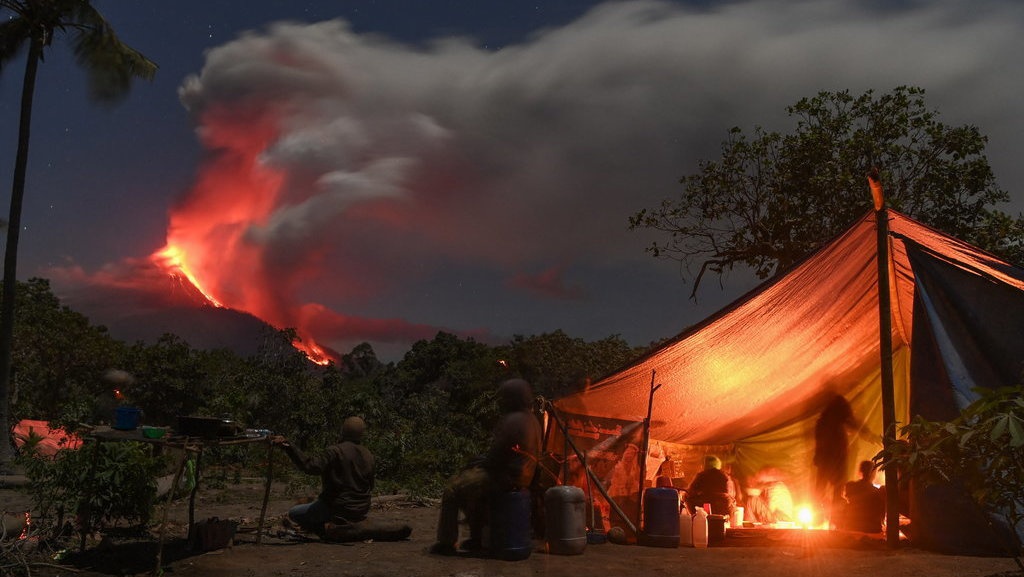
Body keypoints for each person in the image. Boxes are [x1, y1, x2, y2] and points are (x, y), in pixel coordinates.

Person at [430, 378, 542, 555]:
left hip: (506, 477)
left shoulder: (514, 420)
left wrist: (477, 462)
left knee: (453, 488)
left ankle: (446, 541)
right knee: (473, 488)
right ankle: (477, 537)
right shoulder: (533, 420)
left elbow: (496, 457)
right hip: (523, 477)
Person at [273, 416, 375, 537]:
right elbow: (371, 485)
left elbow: (310, 467)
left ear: (343, 431)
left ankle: (325, 529)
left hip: (337, 509)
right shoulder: (368, 455)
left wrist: (289, 447)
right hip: (361, 510)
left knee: (294, 513)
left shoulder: (335, 451)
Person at [813, 393, 859, 518]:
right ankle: (833, 518)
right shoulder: (834, 426)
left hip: (826, 461)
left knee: (821, 490)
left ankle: (819, 518)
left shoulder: (823, 422)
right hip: (833, 461)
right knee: (833, 490)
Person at [835, 460, 885, 533]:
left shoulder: (850, 486)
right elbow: (881, 513)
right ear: (873, 474)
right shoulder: (877, 492)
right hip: (871, 529)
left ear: (861, 471)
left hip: (851, 526)